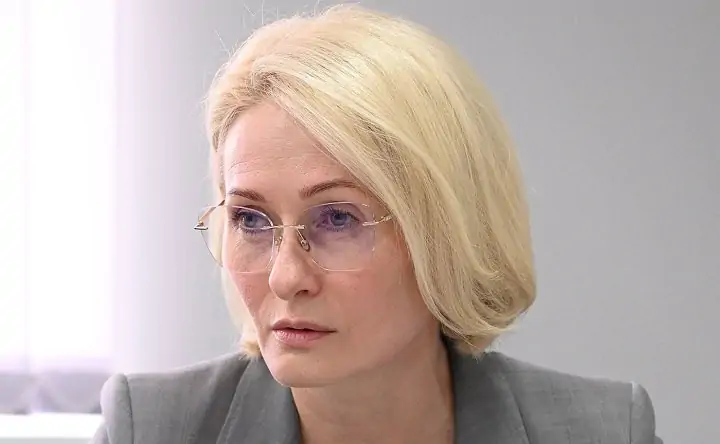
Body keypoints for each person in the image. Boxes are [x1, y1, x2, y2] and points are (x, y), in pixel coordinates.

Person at [91, 4, 662, 444]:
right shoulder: (153, 428)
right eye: (250, 219)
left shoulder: (607, 431)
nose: (285, 277)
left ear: (446, 234)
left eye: (337, 218)